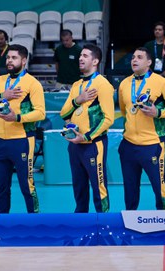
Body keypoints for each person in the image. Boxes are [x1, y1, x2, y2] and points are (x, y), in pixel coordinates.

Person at [0, 44, 45, 213]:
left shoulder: (33, 84)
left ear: (24, 60)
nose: (9, 60)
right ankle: (3, 221)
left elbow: (40, 113)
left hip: (23, 140)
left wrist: (17, 117)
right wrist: (2, 96)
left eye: (14, 57)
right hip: (0, 141)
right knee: (1, 187)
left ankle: (35, 219)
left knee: (27, 185)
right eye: (8, 57)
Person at [118, 47, 165, 210]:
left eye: (139, 57)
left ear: (149, 62)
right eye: (133, 57)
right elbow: (124, 110)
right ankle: (129, 223)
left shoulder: (161, 82)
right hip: (128, 145)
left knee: (159, 187)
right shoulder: (124, 84)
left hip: (153, 144)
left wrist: (158, 112)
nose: (134, 60)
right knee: (129, 189)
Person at [60, 44, 114, 213]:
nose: (80, 58)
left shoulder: (103, 84)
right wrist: (78, 100)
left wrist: (86, 137)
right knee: (79, 187)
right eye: (80, 56)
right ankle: (80, 223)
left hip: (93, 144)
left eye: (85, 56)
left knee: (99, 186)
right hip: (74, 144)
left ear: (95, 61)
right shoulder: (76, 85)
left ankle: (104, 224)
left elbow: (108, 118)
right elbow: (63, 113)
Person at [144, 22, 165, 86]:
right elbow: (144, 61)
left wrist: (162, 75)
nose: (157, 31)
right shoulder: (148, 45)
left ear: (164, 32)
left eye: (160, 30)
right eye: (156, 29)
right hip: (151, 77)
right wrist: (151, 74)